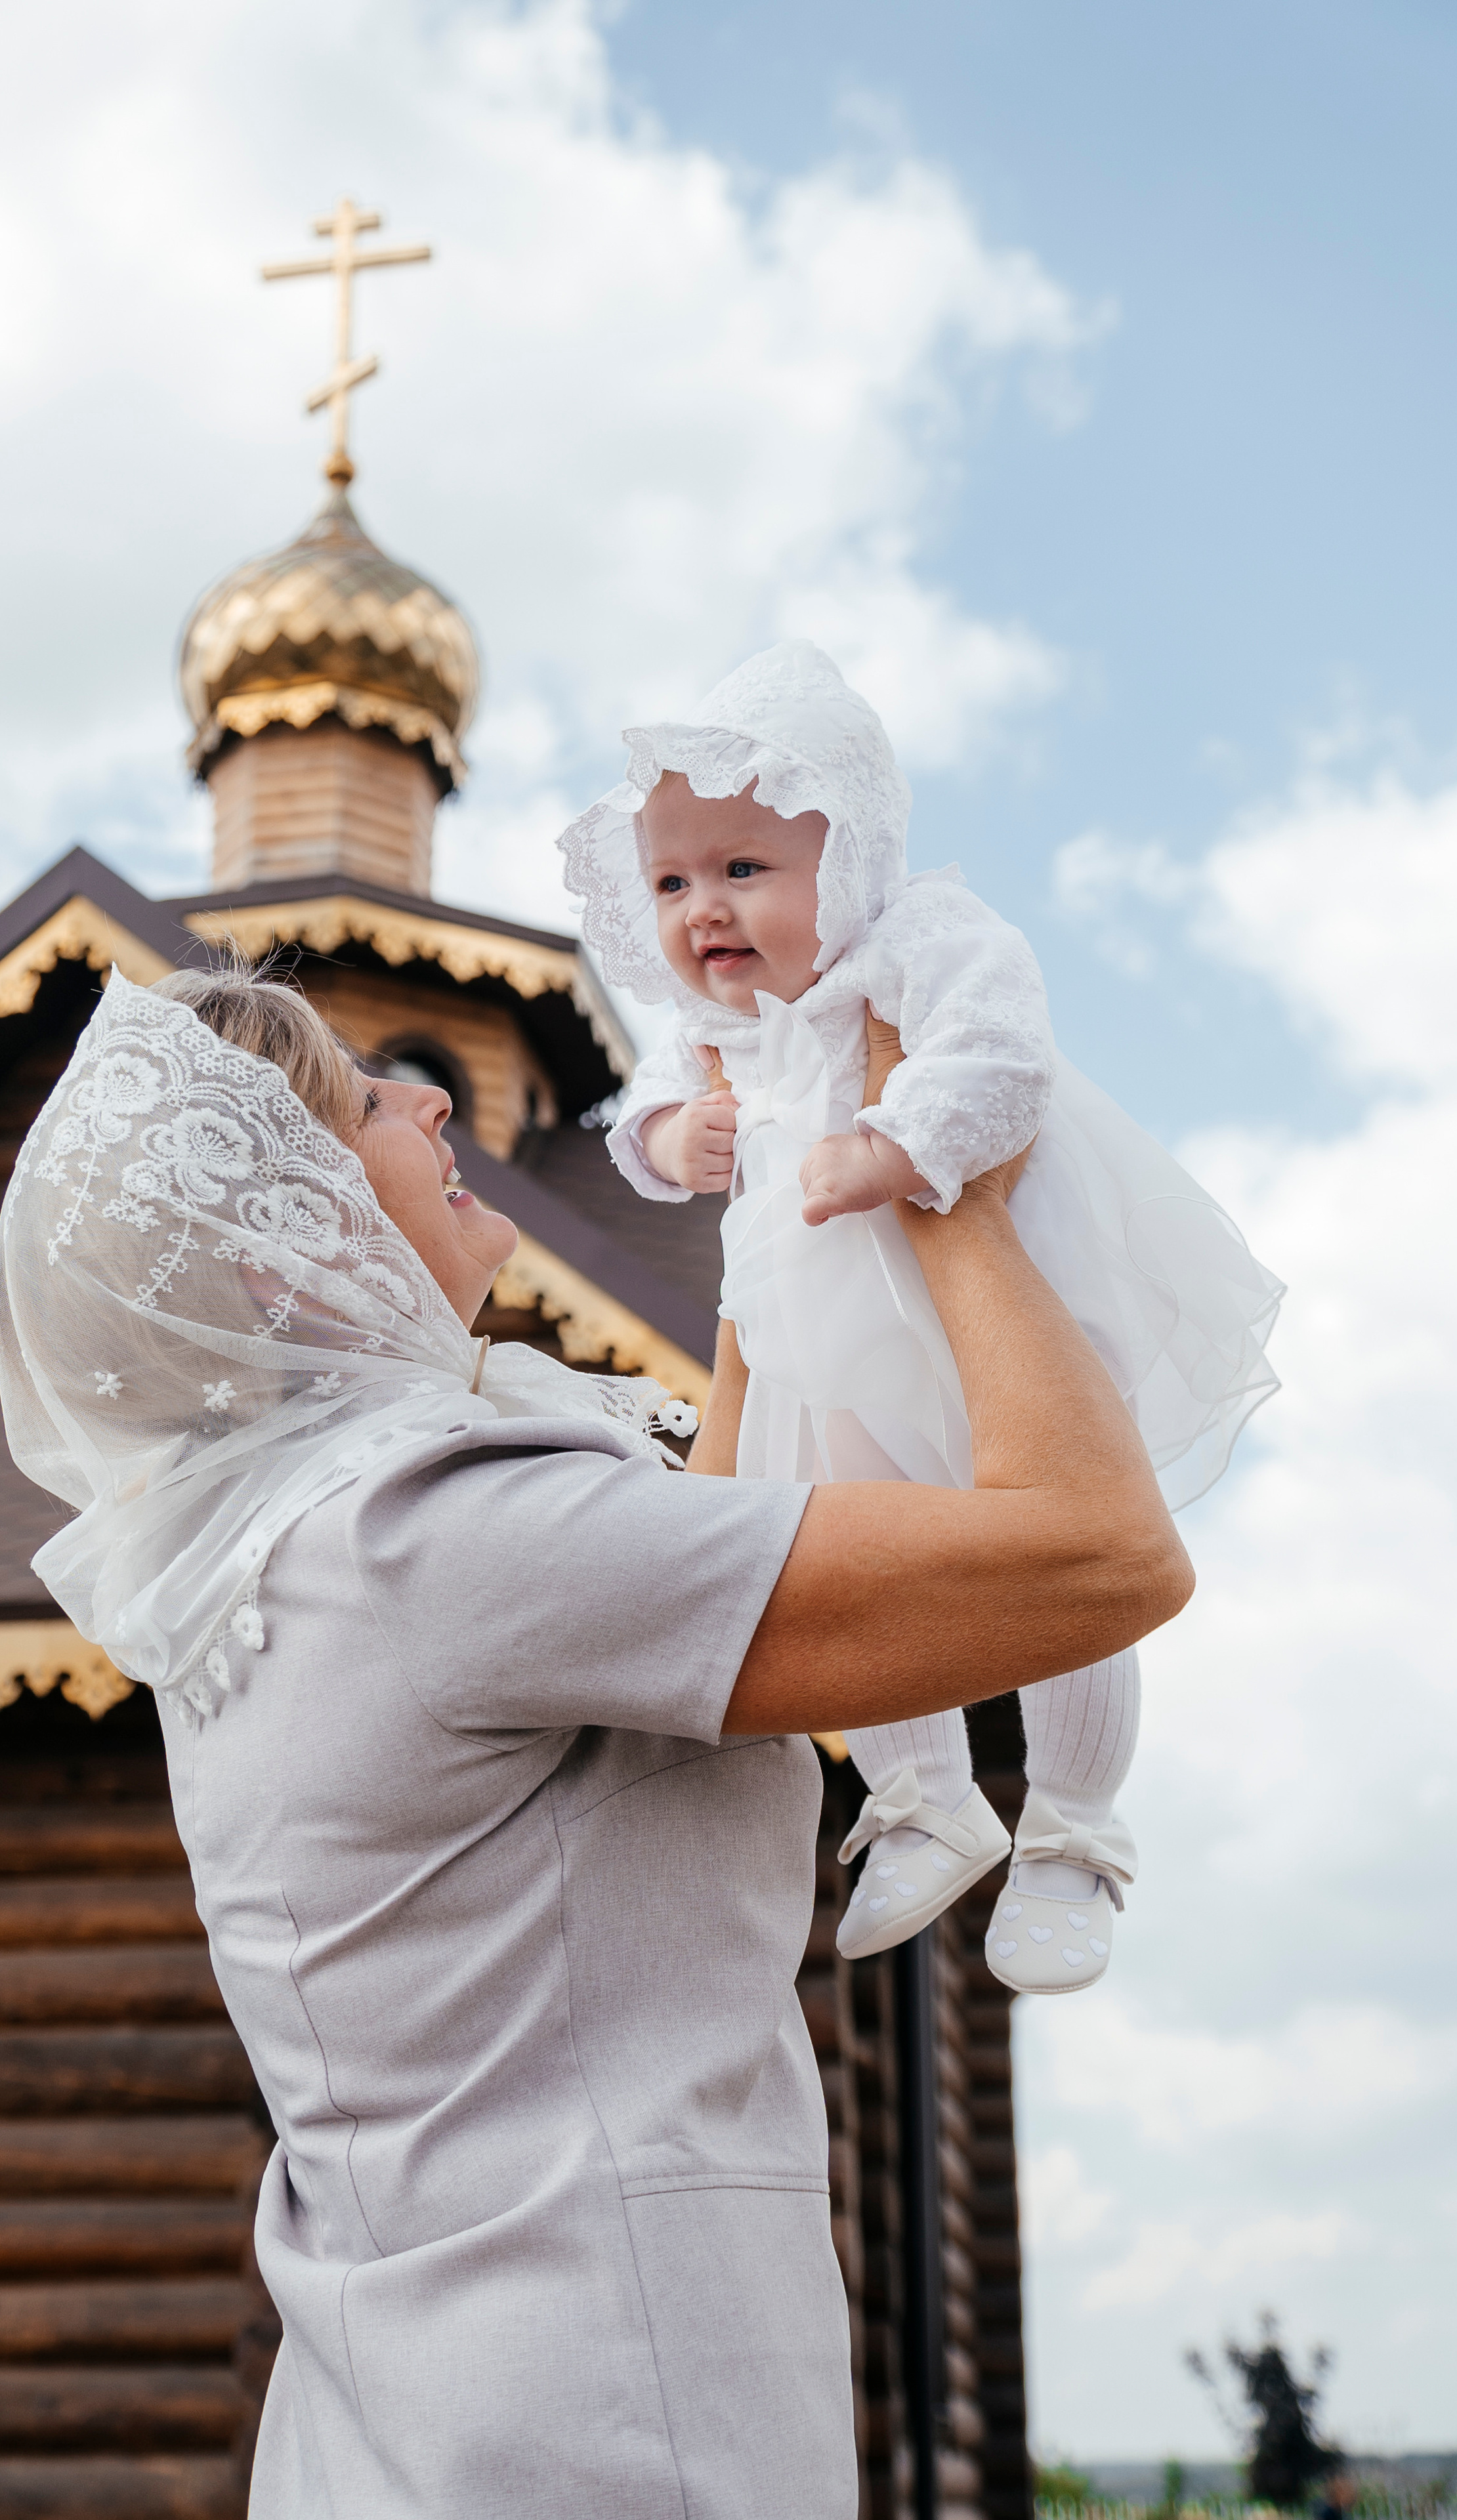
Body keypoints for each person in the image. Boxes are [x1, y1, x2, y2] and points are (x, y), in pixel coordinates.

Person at [0, 957, 1191, 2519]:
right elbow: (1103, 1555)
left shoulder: (302, 1546)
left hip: (413, 2411)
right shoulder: (445, 1541)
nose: (427, 1097)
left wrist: (775, 1225)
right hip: (609, 2414)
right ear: (286, 1252)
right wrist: (946, 1175)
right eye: (363, 1100)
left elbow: (715, 1537)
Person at [560, 639, 1282, 1990]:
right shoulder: (711, 1022)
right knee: (860, 1544)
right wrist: (677, 1139)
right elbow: (635, 1123)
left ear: (851, 859)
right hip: (815, 1330)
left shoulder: (921, 940)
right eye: (670, 881)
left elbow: (1003, 1061)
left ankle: (1070, 1825)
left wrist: (895, 1147)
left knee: (1038, 1551)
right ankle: (922, 1795)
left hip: (989, 1313)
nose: (702, 910)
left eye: (741, 870)